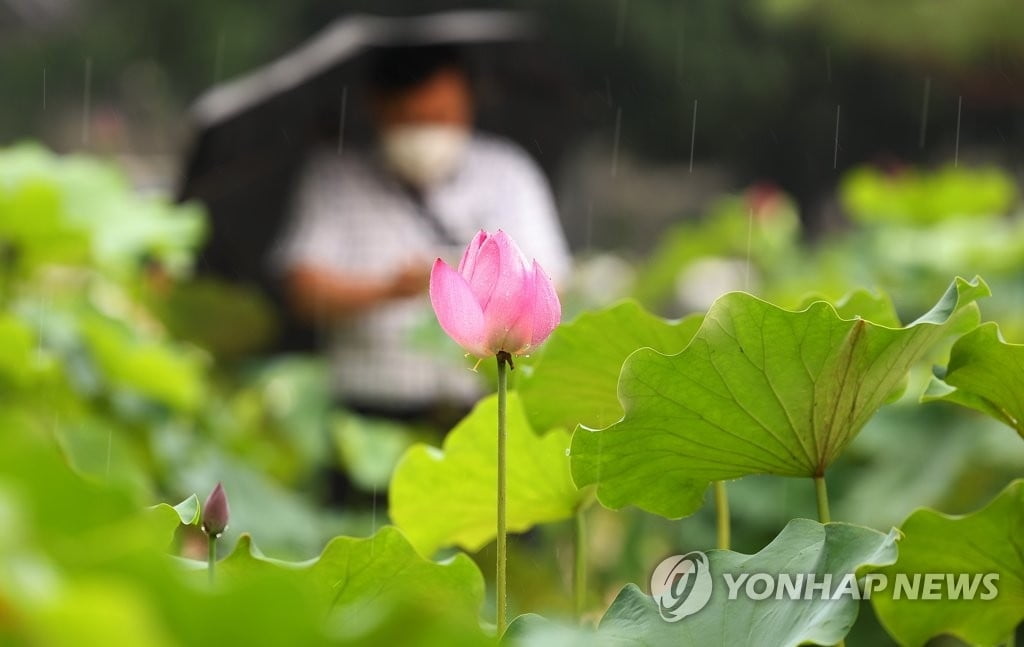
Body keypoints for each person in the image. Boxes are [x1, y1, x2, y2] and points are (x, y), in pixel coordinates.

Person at [273, 44, 571, 425]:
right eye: (410, 120)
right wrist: (390, 290)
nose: (425, 133)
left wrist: (475, 292)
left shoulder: (509, 173)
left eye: (439, 116)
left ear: (468, 102)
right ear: (376, 108)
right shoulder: (334, 175)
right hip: (366, 410)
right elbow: (301, 287)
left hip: (476, 406)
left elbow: (550, 282)